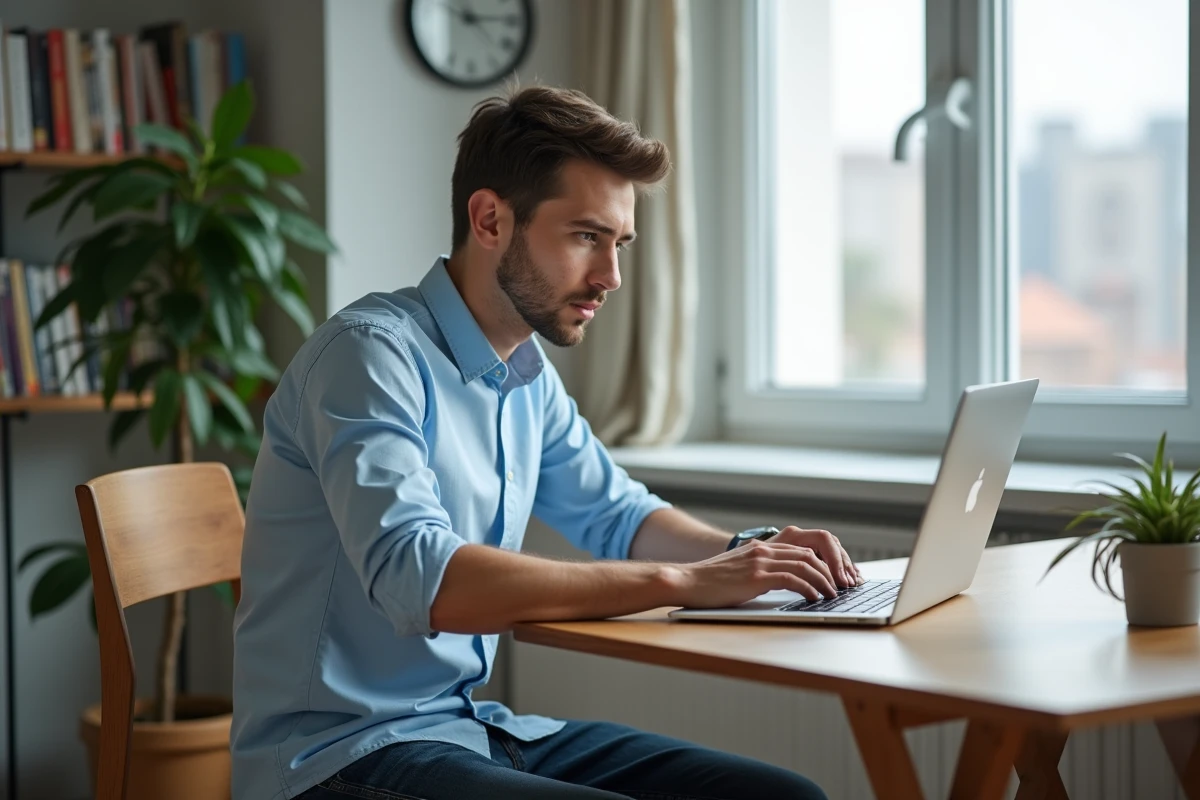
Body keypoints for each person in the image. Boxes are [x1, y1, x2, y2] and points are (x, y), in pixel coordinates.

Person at [232, 84, 859, 800]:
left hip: (472, 728)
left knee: (782, 798)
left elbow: (618, 516)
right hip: (335, 757)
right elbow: (422, 580)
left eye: (618, 243)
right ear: (491, 218)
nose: (611, 277)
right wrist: (683, 584)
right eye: (586, 236)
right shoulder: (369, 357)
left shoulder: (526, 377)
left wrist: (752, 554)